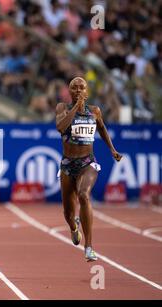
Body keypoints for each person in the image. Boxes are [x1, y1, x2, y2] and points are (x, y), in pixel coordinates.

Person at [55, 77, 122, 262]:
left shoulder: (95, 111)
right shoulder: (63, 108)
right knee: (68, 213)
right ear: (69, 91)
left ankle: (89, 246)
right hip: (68, 164)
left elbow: (102, 129)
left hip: (87, 162)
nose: (77, 91)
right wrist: (76, 108)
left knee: (84, 195)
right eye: (74, 88)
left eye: (81, 88)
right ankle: (74, 226)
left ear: (87, 91)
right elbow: (60, 127)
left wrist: (112, 149)